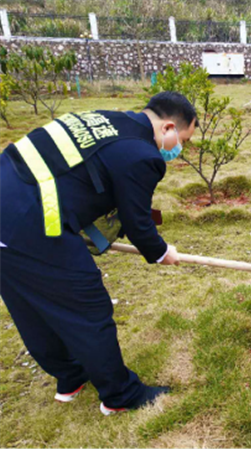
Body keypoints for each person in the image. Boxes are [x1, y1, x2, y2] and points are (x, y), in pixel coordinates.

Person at [0, 91, 197, 414]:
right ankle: (121, 395)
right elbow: (137, 222)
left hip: (6, 204)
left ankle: (71, 376)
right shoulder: (142, 156)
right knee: (88, 307)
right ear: (168, 127)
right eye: (183, 139)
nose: (180, 148)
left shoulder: (106, 118)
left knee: (30, 306)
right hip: (27, 222)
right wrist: (161, 253)